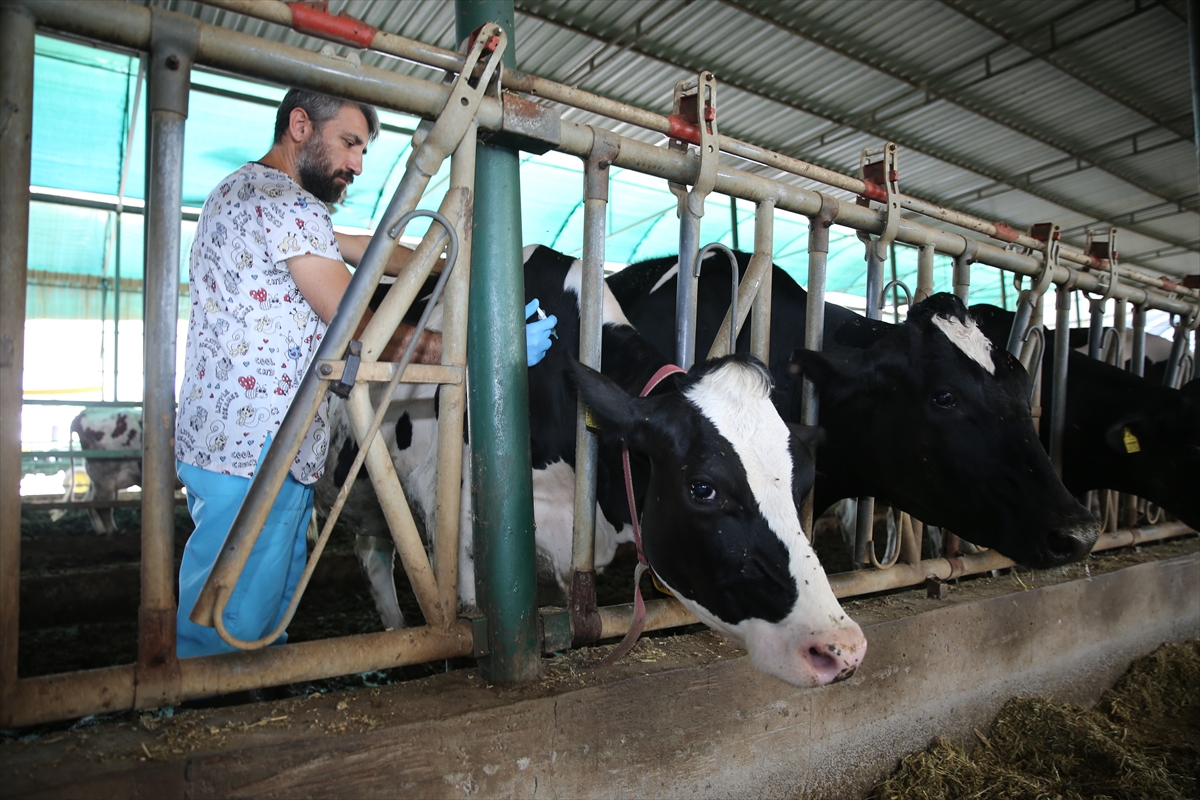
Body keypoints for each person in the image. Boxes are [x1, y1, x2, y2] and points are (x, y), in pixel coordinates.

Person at [175, 88, 556, 658]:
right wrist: (484, 348)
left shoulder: (239, 192)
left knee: (239, 616)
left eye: (363, 151)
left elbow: (369, 249)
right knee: (229, 632)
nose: (356, 164)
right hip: (261, 449)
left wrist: (458, 261)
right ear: (300, 126)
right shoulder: (290, 206)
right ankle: (207, 709)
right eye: (349, 143)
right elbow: (366, 333)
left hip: (225, 443)